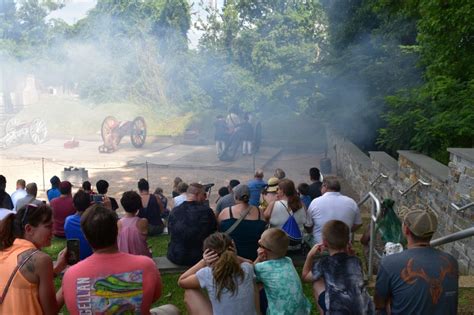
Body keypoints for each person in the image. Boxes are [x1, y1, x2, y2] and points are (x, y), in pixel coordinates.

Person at [62, 204, 178, 315]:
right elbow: (154, 297)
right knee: (172, 309)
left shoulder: (71, 274)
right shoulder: (146, 264)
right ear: (117, 230)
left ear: (86, 237)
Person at [374, 206, 458, 315]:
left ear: (406, 229)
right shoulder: (451, 261)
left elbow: (379, 304)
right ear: (432, 232)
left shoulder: (389, 263)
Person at [0, 204, 68, 314]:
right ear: (29, 229)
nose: (53, 231)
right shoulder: (41, 260)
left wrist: (58, 267)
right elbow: (51, 311)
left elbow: (24, 282)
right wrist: (70, 280)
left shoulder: (5, 252)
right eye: (48, 226)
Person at [302, 220, 374, 314]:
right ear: (348, 241)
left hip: (338, 311)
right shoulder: (356, 261)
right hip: (363, 310)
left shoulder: (324, 263)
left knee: (317, 282)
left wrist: (310, 255)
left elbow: (305, 276)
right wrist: (352, 255)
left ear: (324, 242)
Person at [178, 232, 258, 315]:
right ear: (233, 249)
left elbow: (181, 281)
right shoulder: (247, 269)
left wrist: (203, 262)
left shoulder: (208, 273)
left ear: (208, 254)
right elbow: (250, 263)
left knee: (190, 292)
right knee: (253, 281)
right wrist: (234, 256)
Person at [254, 228, 311, 315]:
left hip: (280, 313)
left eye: (260, 244)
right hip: (301, 311)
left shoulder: (262, 267)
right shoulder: (288, 260)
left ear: (264, 251)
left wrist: (258, 258)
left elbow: (248, 274)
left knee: (255, 286)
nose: (258, 242)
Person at [167, 183, 217, 266]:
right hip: (199, 257)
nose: (205, 198)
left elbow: (171, 232)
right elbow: (213, 232)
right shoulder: (207, 212)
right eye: (204, 194)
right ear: (197, 194)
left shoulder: (174, 211)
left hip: (175, 255)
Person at [305, 176, 362, 244]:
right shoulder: (351, 202)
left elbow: (308, 226)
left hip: (321, 246)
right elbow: (358, 223)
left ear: (324, 186)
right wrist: (347, 230)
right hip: (344, 246)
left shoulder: (315, 202)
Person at [218, 184, 266, 260]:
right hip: (253, 257)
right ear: (249, 197)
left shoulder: (226, 212)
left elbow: (219, 231)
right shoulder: (260, 213)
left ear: (235, 197)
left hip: (232, 257)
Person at [264, 179, 308, 252]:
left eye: (278, 189)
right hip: (297, 246)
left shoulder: (273, 204)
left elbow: (264, 220)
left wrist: (273, 201)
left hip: (278, 248)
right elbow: (307, 223)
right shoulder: (301, 205)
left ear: (283, 191)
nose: (276, 191)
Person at [118, 191, 151, 257]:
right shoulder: (143, 222)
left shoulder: (119, 223)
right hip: (141, 258)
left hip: (124, 258)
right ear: (138, 206)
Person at [64, 190, 94, 261]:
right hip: (91, 258)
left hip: (75, 259)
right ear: (90, 205)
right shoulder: (93, 221)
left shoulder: (68, 221)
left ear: (74, 205)